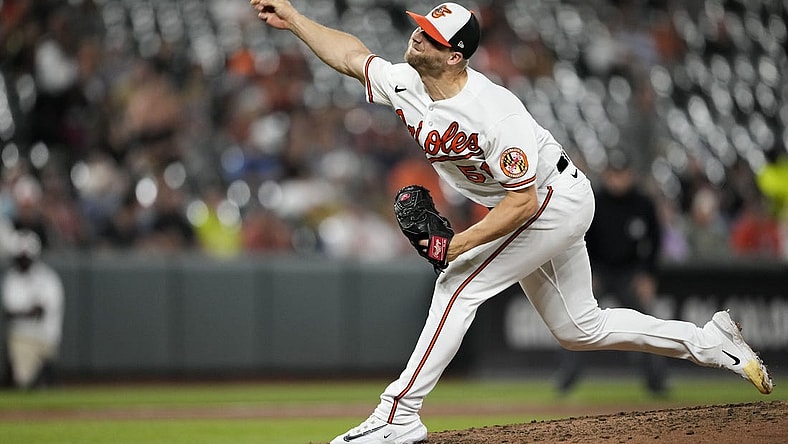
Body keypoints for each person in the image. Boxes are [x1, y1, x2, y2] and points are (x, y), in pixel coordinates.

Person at [249, 2, 773, 443]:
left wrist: (456, 245)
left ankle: (397, 415)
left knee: (457, 285)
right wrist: (295, 16)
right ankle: (712, 341)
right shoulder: (407, 82)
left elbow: (523, 203)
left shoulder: (496, 113)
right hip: (532, 202)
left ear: (454, 56)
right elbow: (350, 55)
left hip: (552, 200)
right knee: (579, 328)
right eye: (420, 25)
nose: (416, 35)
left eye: (430, 36)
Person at [556, 151, 667, 396]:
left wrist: (649, 275)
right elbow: (582, 239)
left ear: (631, 175)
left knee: (646, 326)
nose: (616, 179)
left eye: (621, 173)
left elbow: (656, 242)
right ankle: (566, 382)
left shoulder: (643, 203)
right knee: (577, 323)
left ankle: (656, 382)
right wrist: (588, 273)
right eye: (612, 174)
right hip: (600, 272)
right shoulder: (595, 200)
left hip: (631, 273)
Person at [2, 230, 64, 389]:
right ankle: (41, 374)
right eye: (20, 256)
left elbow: (42, 312)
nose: (23, 260)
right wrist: (30, 311)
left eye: (26, 256)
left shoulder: (48, 278)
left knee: (29, 376)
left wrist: (27, 312)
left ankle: (45, 371)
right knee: (22, 381)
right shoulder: (11, 279)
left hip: (46, 337)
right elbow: (10, 313)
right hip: (21, 338)